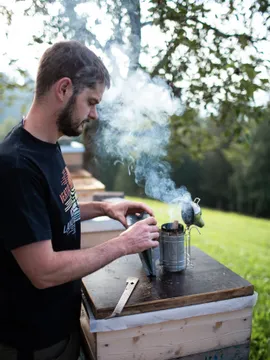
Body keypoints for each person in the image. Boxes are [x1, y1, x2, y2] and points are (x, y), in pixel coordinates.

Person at [0, 40, 160, 360]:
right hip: (34, 344)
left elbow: (51, 212)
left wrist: (103, 208)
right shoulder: (16, 164)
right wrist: (123, 244)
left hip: (61, 327)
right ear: (64, 89)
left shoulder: (46, 145)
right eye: (91, 101)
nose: (94, 114)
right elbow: (42, 270)